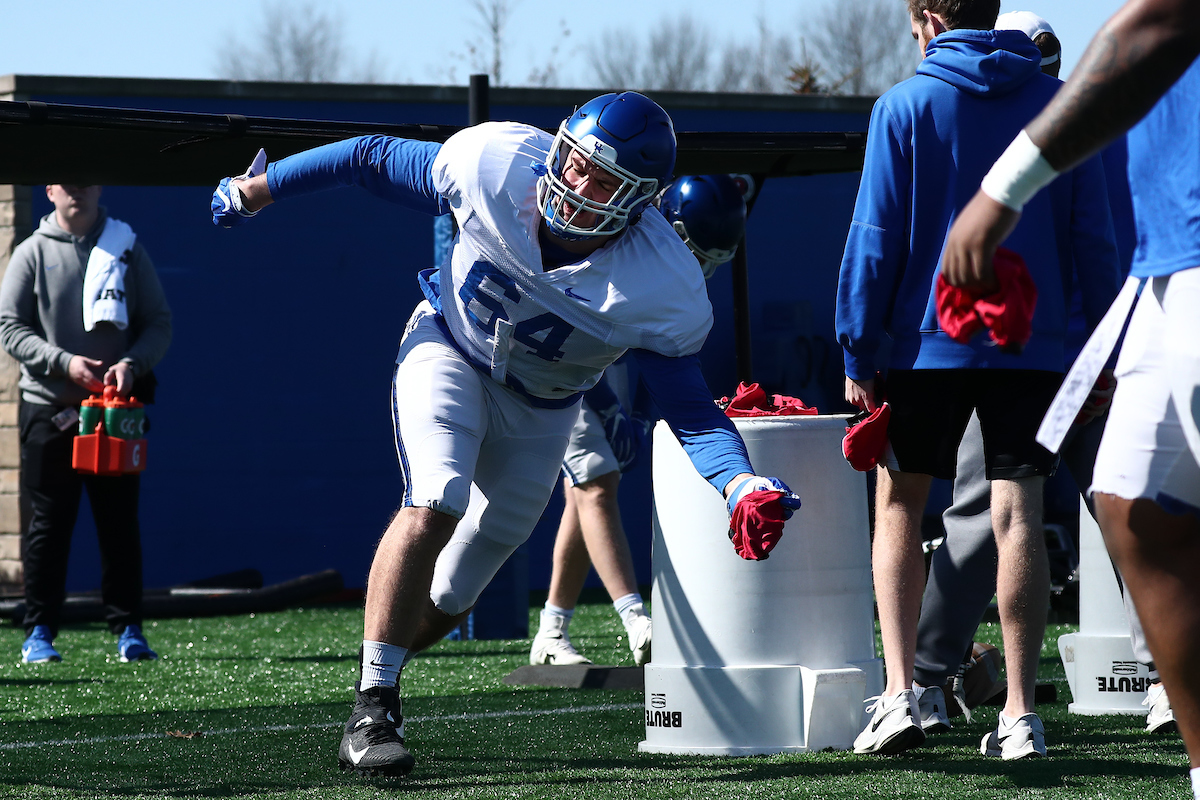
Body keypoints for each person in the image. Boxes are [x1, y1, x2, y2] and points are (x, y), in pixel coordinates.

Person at [211, 92, 800, 777]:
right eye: (575, 164)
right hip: (450, 349)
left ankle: (387, 662)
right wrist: (260, 187)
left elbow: (689, 408)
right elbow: (370, 157)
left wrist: (738, 481)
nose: (577, 186)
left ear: (640, 200)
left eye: (603, 180)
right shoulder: (494, 162)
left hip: (544, 414)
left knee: (450, 599)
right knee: (436, 500)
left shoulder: (662, 283)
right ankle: (374, 706)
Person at [835, 0, 1121, 758]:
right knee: (1018, 515)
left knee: (899, 507)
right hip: (1034, 345)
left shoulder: (903, 104)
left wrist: (856, 350)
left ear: (926, 15)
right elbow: (1095, 238)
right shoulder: (1062, 103)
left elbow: (875, 234)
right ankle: (1020, 713)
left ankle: (902, 694)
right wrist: (1098, 353)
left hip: (923, 344)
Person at [940, 0, 1200, 793]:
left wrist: (1004, 187)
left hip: (1178, 262)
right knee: (1130, 506)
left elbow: (1155, 26)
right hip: (1165, 264)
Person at [530, 174, 747, 668]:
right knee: (597, 482)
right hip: (556, 361)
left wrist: (639, 413)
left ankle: (551, 630)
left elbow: (656, 348)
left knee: (583, 495)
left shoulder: (662, 266)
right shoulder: (618, 243)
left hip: (605, 368)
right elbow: (579, 323)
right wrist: (607, 404)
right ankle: (635, 620)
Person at [0, 184, 172, 664]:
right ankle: (39, 632)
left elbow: (158, 321)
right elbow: (9, 325)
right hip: (50, 409)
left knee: (119, 523)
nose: (77, 189)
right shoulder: (31, 251)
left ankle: (129, 630)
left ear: (100, 186)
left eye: (86, 179)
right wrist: (62, 362)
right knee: (48, 526)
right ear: (50, 190)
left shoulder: (125, 245)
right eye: (66, 181)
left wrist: (132, 364)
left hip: (115, 412)